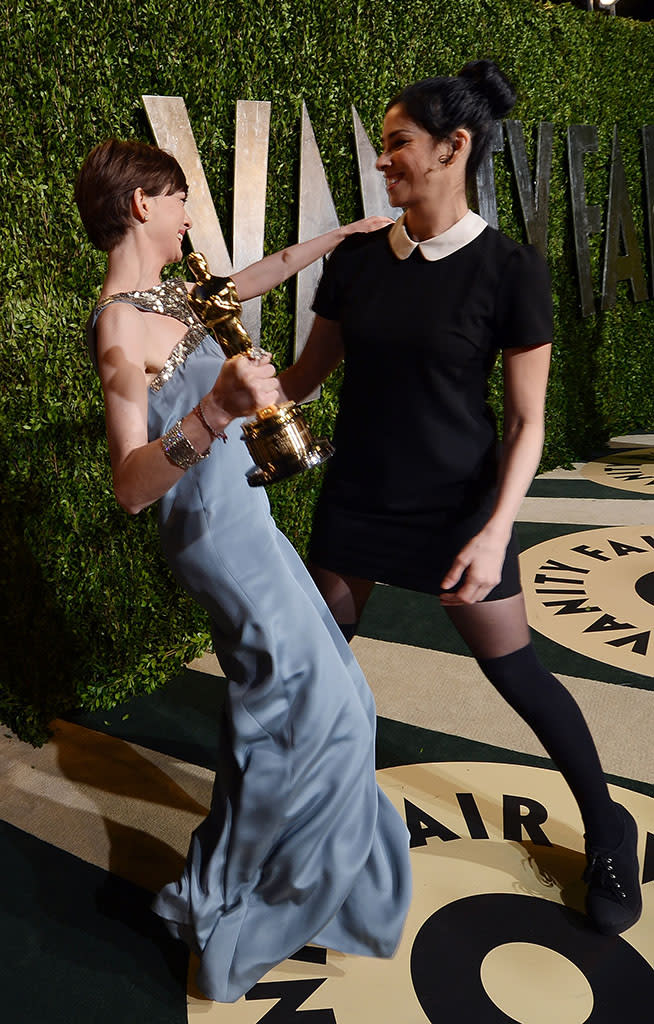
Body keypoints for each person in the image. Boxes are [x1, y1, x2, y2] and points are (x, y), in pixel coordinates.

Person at [278, 61, 642, 937]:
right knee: (318, 671)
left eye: (398, 144)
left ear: (455, 148)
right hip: (357, 498)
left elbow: (526, 427)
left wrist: (494, 532)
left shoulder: (511, 270)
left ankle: (607, 824)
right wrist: (218, 404)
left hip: (459, 505)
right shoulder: (361, 260)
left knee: (516, 672)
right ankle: (305, 835)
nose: (385, 162)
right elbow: (305, 376)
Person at [74, 138, 411, 1003]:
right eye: (183, 196)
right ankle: (239, 915)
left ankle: (283, 891)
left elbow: (260, 274)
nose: (192, 211)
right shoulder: (118, 320)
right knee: (320, 714)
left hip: (250, 526)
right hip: (215, 541)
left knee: (337, 698)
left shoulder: (177, 294)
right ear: (143, 203)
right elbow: (129, 489)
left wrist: (339, 240)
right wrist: (217, 409)